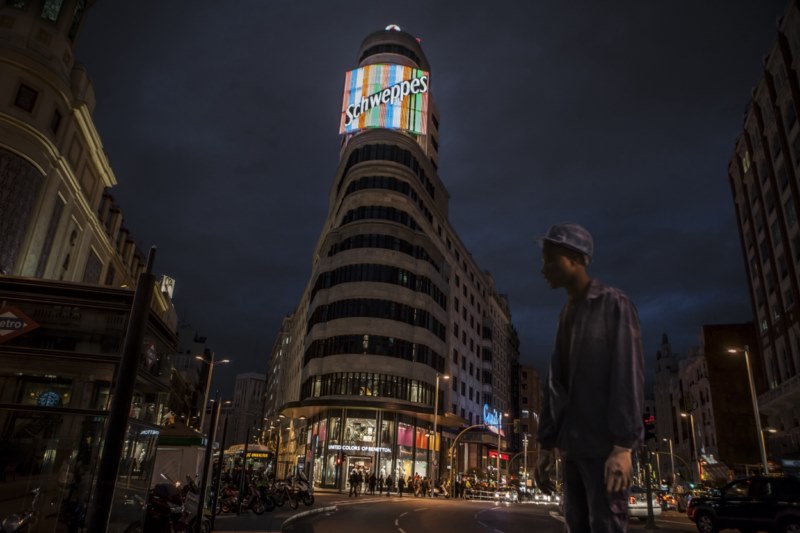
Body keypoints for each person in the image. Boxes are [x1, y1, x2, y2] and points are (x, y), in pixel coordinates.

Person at [534, 222, 644, 532]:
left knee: (606, 525)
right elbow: (554, 386)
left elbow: (627, 373)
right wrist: (545, 445)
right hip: (572, 449)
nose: (543, 269)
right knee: (577, 525)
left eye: (549, 259)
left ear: (575, 259)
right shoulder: (565, 315)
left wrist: (623, 447)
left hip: (604, 449)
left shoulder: (613, 304)